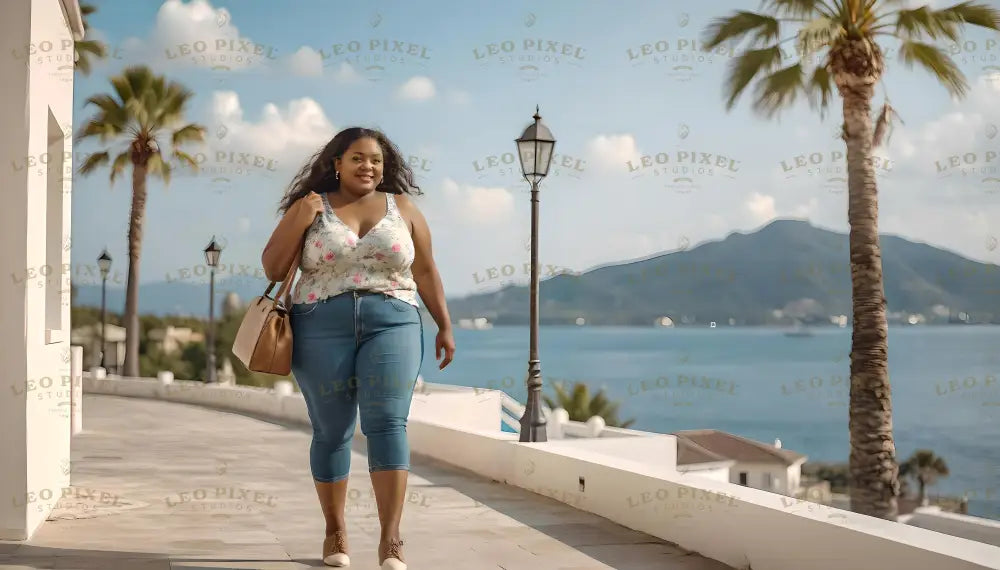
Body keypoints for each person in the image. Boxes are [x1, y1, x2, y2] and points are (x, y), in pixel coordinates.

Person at [262, 127, 456, 569]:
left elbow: (425, 271)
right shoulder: (311, 206)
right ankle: (335, 531)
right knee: (332, 429)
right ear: (337, 162)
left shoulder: (403, 208)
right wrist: (300, 215)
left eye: (376, 161)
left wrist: (444, 324)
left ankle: (391, 540)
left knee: (388, 422)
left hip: (394, 321)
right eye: (358, 158)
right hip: (318, 324)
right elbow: (273, 266)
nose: (368, 167)